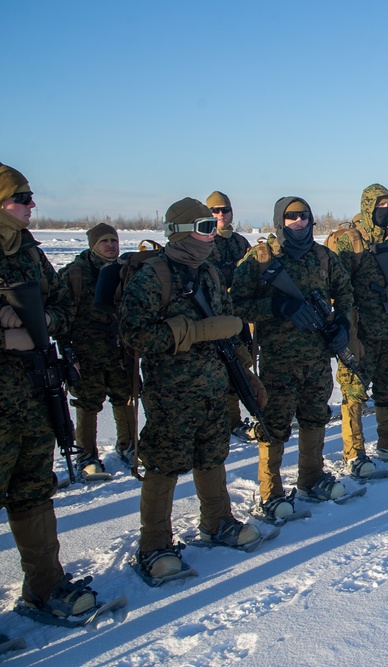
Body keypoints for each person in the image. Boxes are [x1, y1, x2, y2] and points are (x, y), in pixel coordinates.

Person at [119, 197, 262, 581]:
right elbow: (133, 334)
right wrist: (191, 332)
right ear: (180, 233)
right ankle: (154, 546)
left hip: (214, 385)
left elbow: (225, 327)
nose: (212, 234)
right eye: (204, 228)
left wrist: (247, 372)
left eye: (213, 227)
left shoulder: (210, 273)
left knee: (212, 455)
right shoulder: (153, 276)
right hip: (171, 393)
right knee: (165, 465)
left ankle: (217, 521)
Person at [1, 163, 101, 617]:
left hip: (35, 391)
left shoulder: (30, 252)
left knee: (33, 491)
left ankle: (44, 584)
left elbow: (63, 305)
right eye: (22, 198)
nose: (32, 205)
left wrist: (39, 330)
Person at [230, 196, 355, 517]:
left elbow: (345, 292)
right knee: (274, 423)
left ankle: (311, 478)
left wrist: (342, 322)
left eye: (304, 216)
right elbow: (235, 305)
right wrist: (277, 307)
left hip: (317, 357)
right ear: (279, 221)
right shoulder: (260, 259)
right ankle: (270, 492)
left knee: (315, 416)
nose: (298, 222)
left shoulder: (323, 257)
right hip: (277, 361)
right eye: (291, 217)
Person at [335, 184, 388, 466]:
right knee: (354, 392)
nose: (385, 212)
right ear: (368, 207)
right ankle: (354, 453)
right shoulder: (352, 241)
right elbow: (340, 290)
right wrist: (349, 334)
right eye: (379, 207)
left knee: (387, 387)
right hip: (361, 331)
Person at [57, 222, 135, 478]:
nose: (111, 246)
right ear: (93, 245)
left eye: (114, 241)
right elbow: (62, 315)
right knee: (88, 403)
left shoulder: (125, 271)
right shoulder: (75, 274)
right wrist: (67, 351)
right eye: (104, 241)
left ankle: (128, 445)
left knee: (124, 396)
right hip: (86, 353)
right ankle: (87, 456)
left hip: (119, 350)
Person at [205, 191, 254, 440]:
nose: (221, 214)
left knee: (240, 360)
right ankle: (225, 420)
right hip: (212, 319)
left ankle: (237, 419)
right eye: (215, 210)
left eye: (225, 210)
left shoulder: (239, 242)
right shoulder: (202, 242)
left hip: (240, 315)